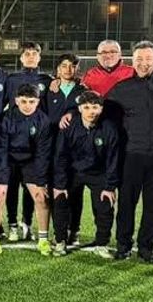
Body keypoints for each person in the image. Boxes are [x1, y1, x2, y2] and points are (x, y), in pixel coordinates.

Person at [105, 41, 153, 263]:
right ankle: (123, 246)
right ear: (132, 61)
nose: (144, 63)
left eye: (148, 59)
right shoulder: (122, 88)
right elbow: (103, 116)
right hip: (131, 155)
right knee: (126, 203)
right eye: (139, 59)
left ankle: (146, 248)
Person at [51, 91, 119, 258]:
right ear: (80, 108)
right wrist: (60, 185)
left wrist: (109, 187)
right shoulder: (69, 126)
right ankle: (60, 241)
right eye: (87, 107)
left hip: (98, 173)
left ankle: (101, 244)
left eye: (95, 107)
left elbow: (112, 160)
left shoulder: (109, 128)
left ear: (101, 109)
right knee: (60, 200)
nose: (91, 111)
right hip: (73, 172)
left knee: (105, 204)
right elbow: (60, 156)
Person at [0, 83, 54, 253]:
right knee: (0, 194)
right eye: (24, 101)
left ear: (38, 102)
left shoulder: (43, 121)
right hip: (9, 160)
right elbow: (1, 150)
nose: (28, 105)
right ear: (16, 101)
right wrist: (0, 180)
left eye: (32, 102)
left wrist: (40, 181)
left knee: (41, 197)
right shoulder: (5, 118)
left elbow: (42, 153)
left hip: (30, 161)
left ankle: (43, 239)